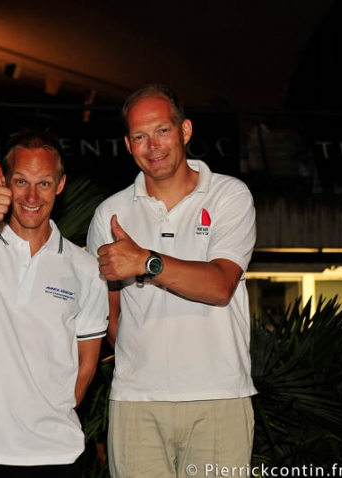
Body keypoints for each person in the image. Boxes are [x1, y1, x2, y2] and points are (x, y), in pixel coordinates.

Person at [86, 84, 257, 477]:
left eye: (162, 130)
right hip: (136, 403)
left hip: (220, 398)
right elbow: (106, 318)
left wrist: (145, 261)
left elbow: (219, 286)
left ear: (185, 131)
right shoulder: (109, 213)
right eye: (140, 137)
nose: (153, 145)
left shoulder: (229, 195)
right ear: (128, 145)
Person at [0, 129, 108, 477]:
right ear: (3, 182)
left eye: (44, 183)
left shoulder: (86, 268)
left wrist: (48, 412)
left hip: (56, 454)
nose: (32, 195)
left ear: (60, 185)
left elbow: (87, 363)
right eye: (20, 181)